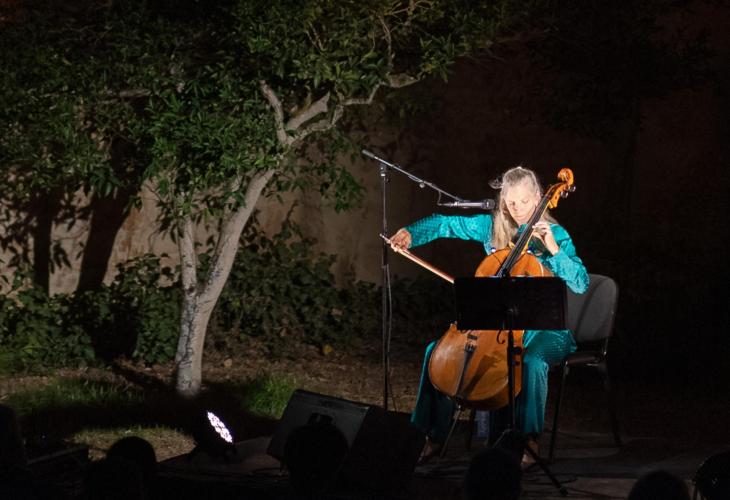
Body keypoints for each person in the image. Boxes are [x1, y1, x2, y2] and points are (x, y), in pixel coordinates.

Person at [388, 166, 589, 466]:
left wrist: (553, 250)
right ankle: (428, 436)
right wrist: (411, 234)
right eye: (511, 202)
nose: (517, 209)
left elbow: (581, 283)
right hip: (496, 327)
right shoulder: (493, 227)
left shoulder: (556, 235)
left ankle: (529, 441)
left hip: (545, 330)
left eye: (524, 201)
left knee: (532, 362)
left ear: (538, 198)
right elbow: (446, 223)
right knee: (436, 352)